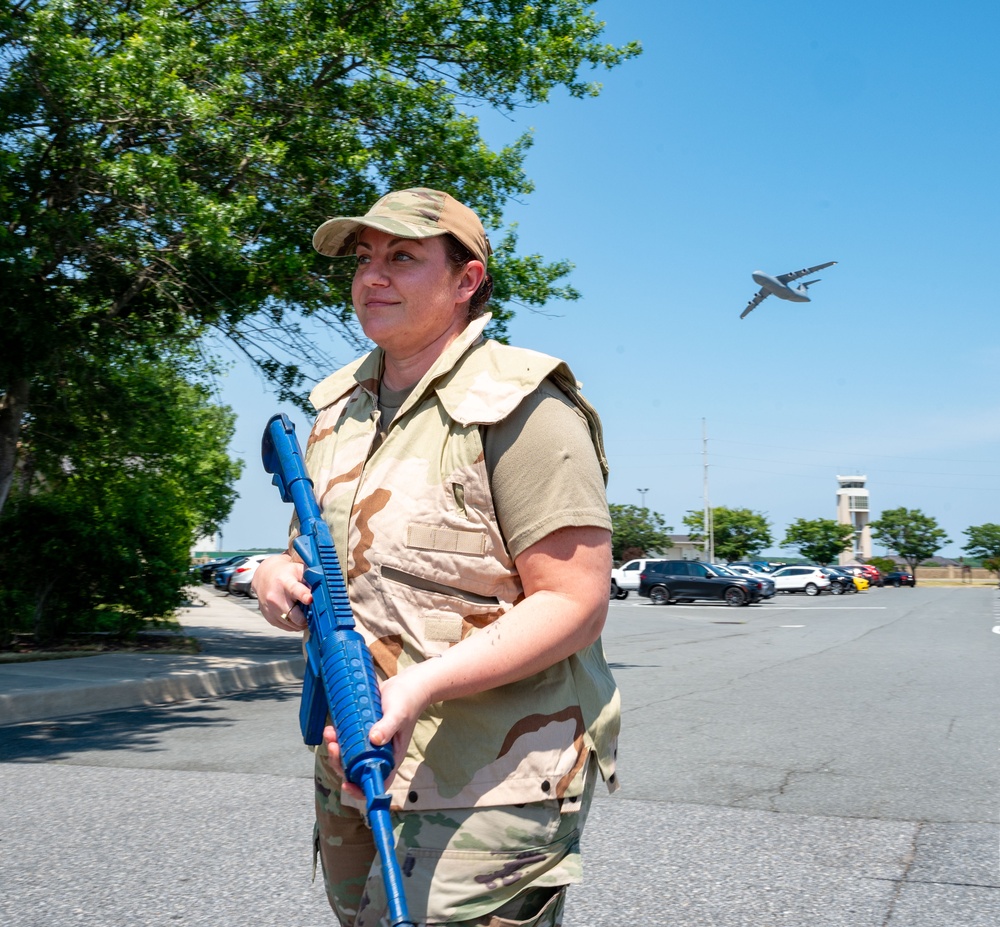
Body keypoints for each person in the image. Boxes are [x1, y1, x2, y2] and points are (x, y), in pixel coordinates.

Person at [253, 187, 620, 927]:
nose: (371, 277)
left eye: (403, 257)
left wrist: (419, 686)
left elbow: (574, 601)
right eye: (363, 259)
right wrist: (273, 573)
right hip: (354, 755)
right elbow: (324, 552)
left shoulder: (524, 405)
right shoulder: (338, 409)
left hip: (484, 777)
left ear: (466, 281)